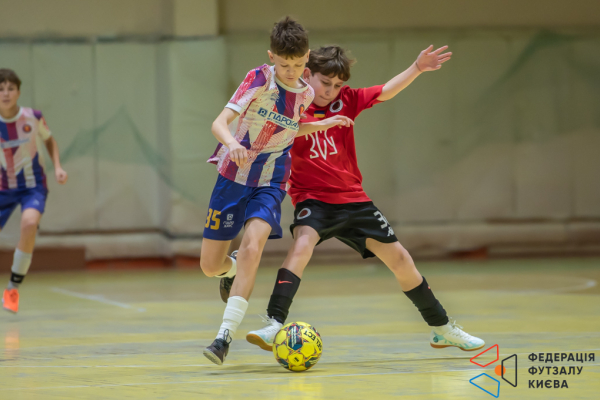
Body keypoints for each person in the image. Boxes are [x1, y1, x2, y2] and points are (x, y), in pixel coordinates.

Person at [243, 45, 485, 353]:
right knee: (301, 246)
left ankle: (442, 329)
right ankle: (274, 323)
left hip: (355, 200)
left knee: (401, 260)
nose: (330, 91)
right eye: (325, 83)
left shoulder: (347, 101)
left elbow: (385, 91)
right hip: (313, 200)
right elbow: (276, 133)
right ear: (308, 74)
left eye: (337, 85)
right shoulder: (290, 104)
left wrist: (417, 68)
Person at [201, 19, 353, 365]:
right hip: (233, 176)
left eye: (298, 64)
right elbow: (219, 123)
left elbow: (287, 129)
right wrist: (232, 144)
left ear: (307, 57)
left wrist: (320, 124)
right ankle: (230, 270)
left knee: (253, 246)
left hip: (272, 179)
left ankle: (223, 338)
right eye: (284, 64)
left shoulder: (305, 92)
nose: (291, 71)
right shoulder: (258, 79)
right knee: (210, 266)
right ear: (272, 57)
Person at [0, 68, 68, 313]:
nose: (5, 93)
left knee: (29, 224)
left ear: (18, 92)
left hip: (33, 186)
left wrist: (57, 167)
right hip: (4, 187)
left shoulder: (33, 117)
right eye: (1, 89)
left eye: (10, 88)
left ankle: (12, 290)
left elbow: (49, 140)